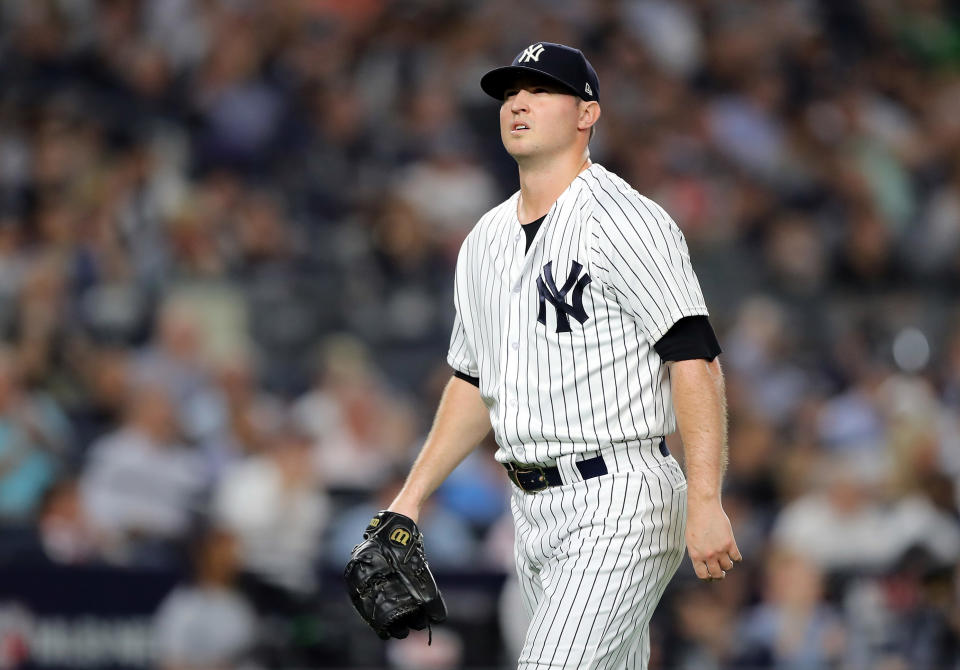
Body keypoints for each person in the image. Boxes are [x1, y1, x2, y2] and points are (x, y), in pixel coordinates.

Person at [385, 42, 741, 669]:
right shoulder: (484, 240)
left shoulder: (627, 220)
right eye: (509, 93)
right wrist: (410, 497)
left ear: (587, 114)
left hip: (620, 495)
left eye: (541, 90)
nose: (518, 102)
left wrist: (708, 498)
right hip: (530, 511)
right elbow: (473, 382)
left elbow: (694, 357)